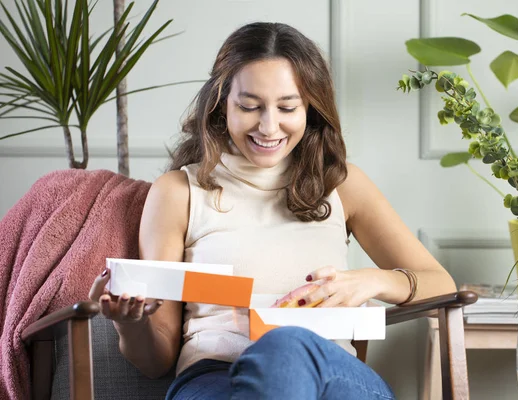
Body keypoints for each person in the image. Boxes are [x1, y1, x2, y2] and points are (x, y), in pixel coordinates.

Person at [88, 22, 456, 399]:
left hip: (332, 375)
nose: (268, 126)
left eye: (287, 107)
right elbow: (156, 361)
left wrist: (372, 281)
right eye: (249, 106)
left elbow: (441, 285)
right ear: (220, 104)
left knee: (285, 347)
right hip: (215, 378)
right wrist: (129, 325)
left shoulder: (343, 184)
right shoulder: (179, 191)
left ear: (311, 108)